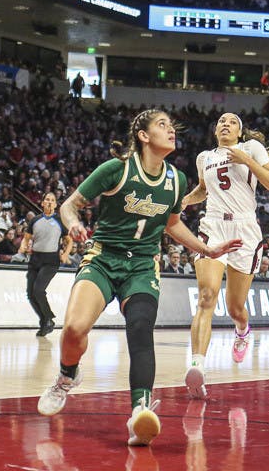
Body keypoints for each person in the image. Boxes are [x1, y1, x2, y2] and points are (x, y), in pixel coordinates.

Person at [37, 109, 241, 447]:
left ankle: (140, 412)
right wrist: (73, 222)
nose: (171, 130)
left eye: (172, 126)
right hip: (104, 258)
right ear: (144, 136)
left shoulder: (176, 179)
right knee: (74, 329)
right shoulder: (116, 169)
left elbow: (172, 224)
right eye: (162, 125)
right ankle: (66, 375)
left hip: (143, 266)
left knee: (141, 329)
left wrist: (208, 249)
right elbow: (69, 205)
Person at [179, 112, 269, 399]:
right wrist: (185, 200)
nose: (225, 124)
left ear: (240, 131)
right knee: (206, 296)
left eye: (232, 122)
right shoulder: (204, 157)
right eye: (221, 121)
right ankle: (197, 367)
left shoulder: (252, 149)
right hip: (213, 225)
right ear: (215, 131)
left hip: (245, 228)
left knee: (235, 306)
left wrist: (246, 160)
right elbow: (203, 190)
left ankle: (242, 329)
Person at [24, 193, 66, 337]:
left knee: (38, 290)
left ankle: (48, 318)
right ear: (42, 203)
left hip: (51, 261)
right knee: (30, 294)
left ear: (55, 205)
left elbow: (69, 240)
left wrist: (65, 253)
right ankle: (45, 320)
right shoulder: (35, 220)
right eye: (47, 199)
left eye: (52, 200)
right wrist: (24, 246)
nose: (49, 202)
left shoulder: (60, 221)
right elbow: (27, 238)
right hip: (35, 259)